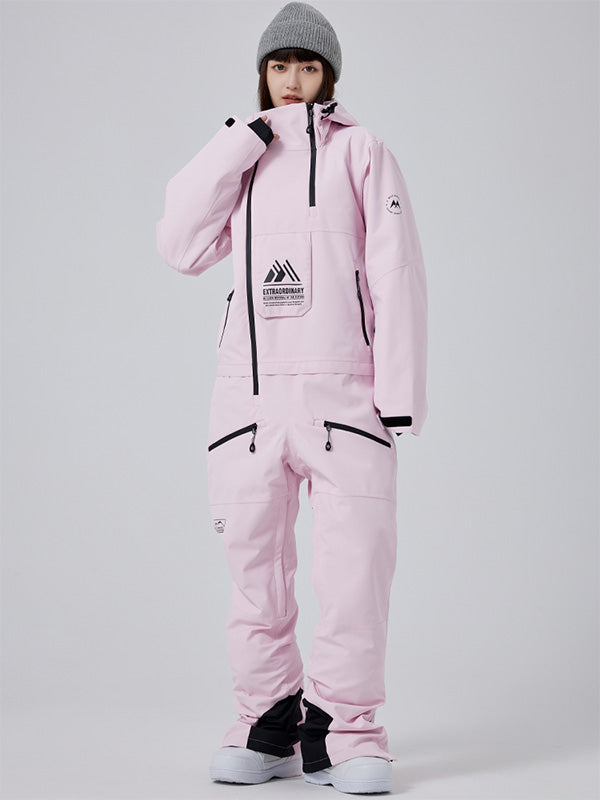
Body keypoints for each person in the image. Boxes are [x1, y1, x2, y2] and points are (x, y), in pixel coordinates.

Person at [156, 1, 428, 794]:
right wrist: (238, 141)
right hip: (248, 406)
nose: (293, 80)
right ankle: (265, 724)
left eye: (308, 67)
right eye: (280, 66)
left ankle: (348, 734)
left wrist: (399, 396)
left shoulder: (363, 152)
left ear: (328, 75)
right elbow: (180, 246)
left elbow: (397, 270)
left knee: (353, 577)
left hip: (347, 399)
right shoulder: (241, 157)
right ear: (263, 74)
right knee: (256, 576)